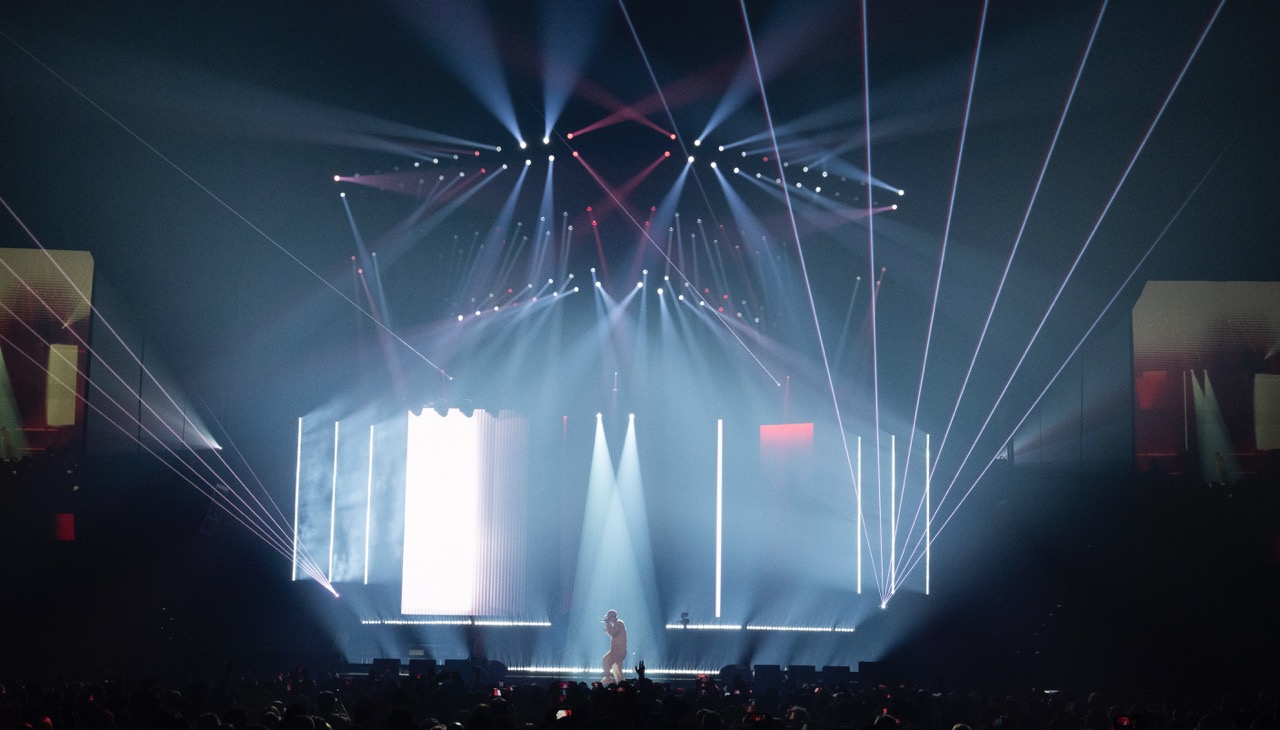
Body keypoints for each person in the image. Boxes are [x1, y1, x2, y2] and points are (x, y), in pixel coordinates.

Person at [601, 609, 627, 685]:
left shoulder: (619, 623)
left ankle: (611, 679)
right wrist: (607, 630)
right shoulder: (618, 624)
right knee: (614, 665)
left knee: (611, 663)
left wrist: (607, 624)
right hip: (616, 650)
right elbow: (614, 634)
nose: (609, 620)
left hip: (618, 650)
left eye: (609, 618)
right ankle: (616, 681)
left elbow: (613, 632)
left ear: (612, 617)